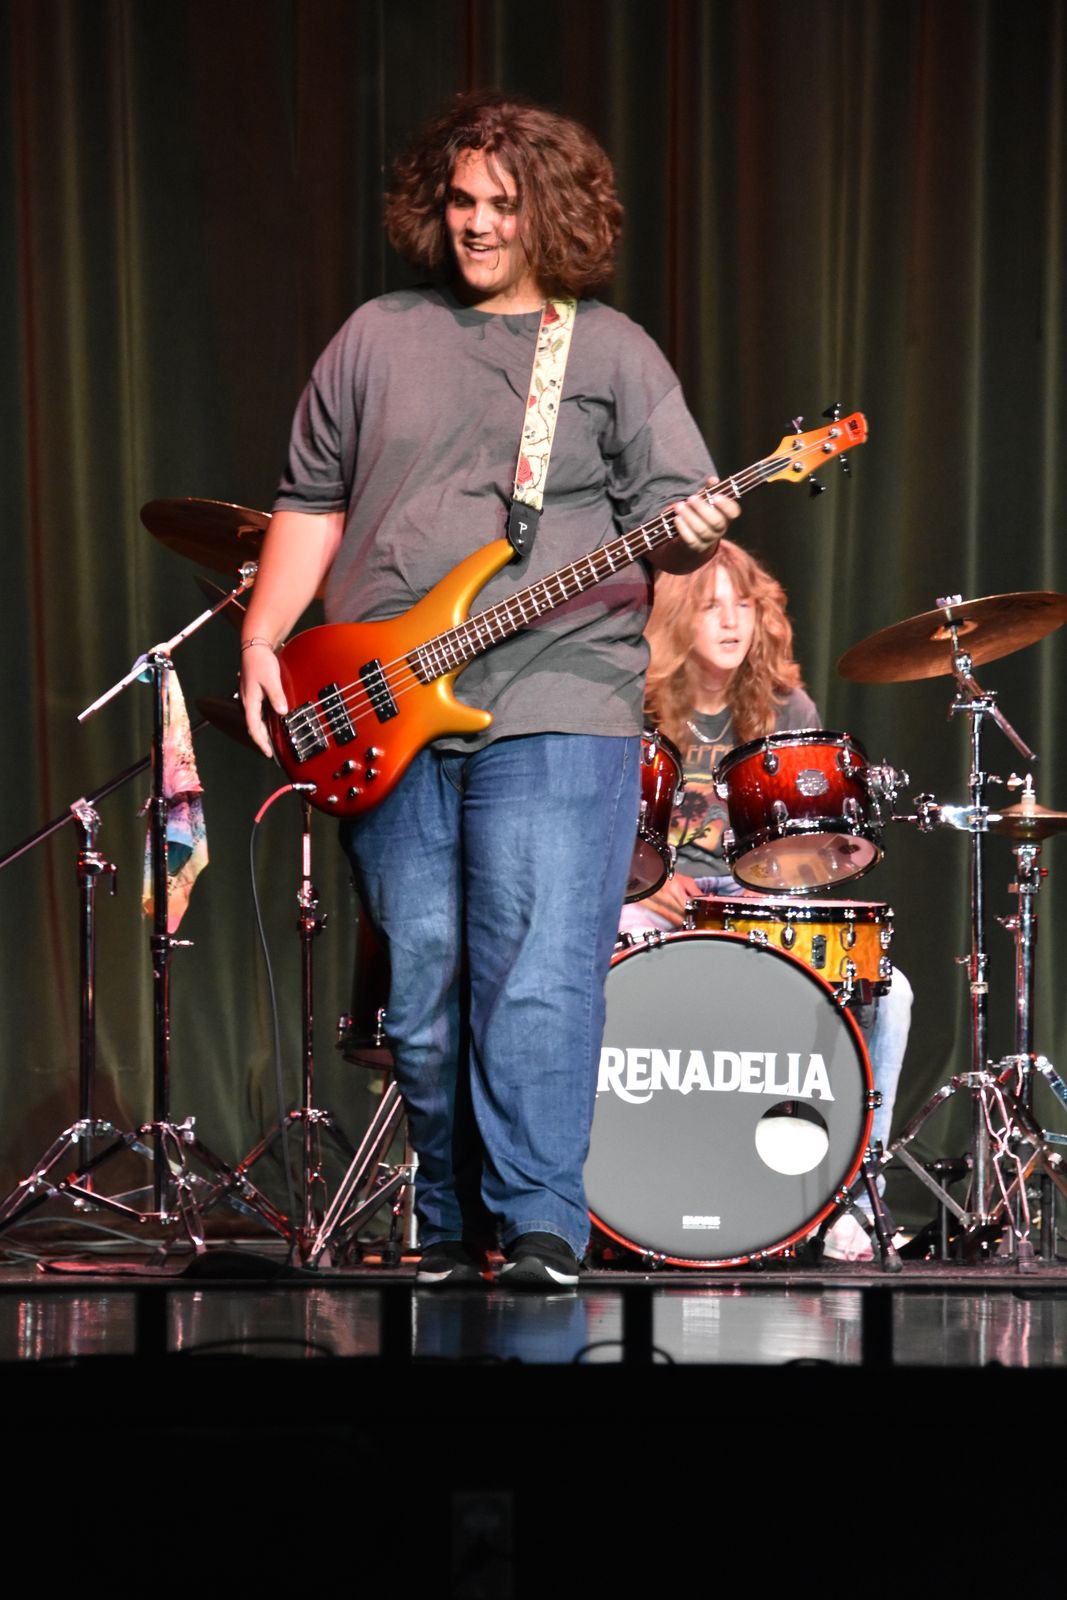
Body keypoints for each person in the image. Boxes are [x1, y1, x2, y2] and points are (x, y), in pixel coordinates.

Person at [239, 92, 740, 1287]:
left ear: (548, 213)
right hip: (383, 701)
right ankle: (451, 1221)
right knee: (422, 982)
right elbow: (311, 500)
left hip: (558, 690)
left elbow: (673, 521)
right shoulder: (374, 335)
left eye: (502, 205)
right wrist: (263, 637)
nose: (476, 224)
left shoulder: (608, 350)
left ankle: (540, 1227)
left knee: (536, 969)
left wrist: (693, 528)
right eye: (461, 201)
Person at [619, 540, 911, 1261]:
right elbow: (592, 819)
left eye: (743, 606)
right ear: (677, 616)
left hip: (755, 903)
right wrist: (643, 879)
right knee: (608, 949)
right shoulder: (632, 701)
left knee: (890, 991)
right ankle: (620, 1183)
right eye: (711, 606)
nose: (731, 621)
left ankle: (851, 1200)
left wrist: (799, 871)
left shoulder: (786, 706)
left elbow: (808, 846)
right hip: (655, 897)